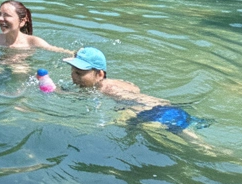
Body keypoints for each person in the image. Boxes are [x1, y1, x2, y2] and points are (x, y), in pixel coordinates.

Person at [63, 47, 194, 133]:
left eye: (79, 73)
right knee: (197, 142)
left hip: (155, 113)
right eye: (72, 71)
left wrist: (59, 91)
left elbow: (80, 96)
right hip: (165, 108)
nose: (73, 76)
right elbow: (135, 88)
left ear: (100, 74)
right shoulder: (115, 83)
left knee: (200, 146)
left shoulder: (106, 89)